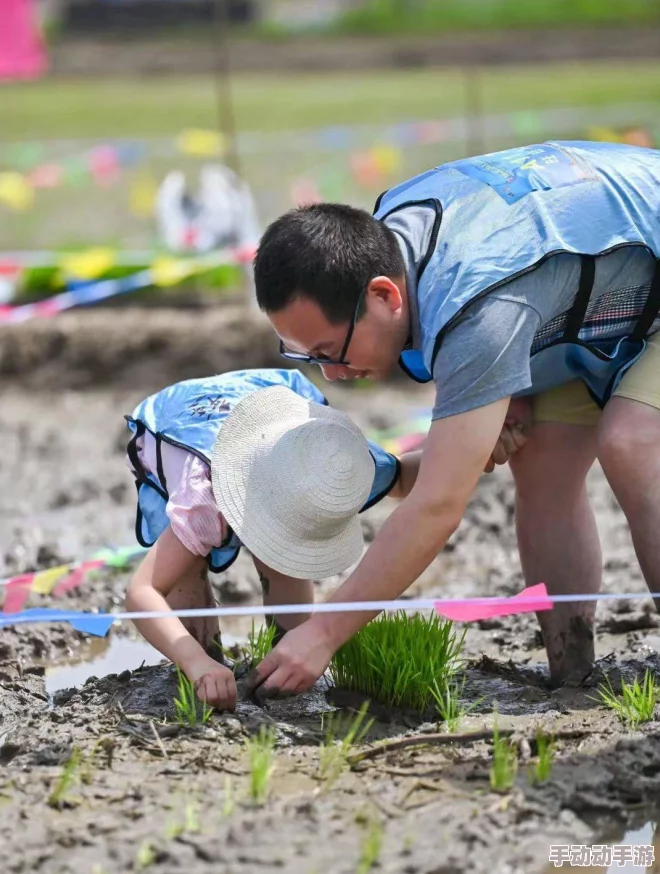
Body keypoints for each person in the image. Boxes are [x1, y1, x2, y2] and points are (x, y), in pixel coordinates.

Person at [250, 139, 660, 694]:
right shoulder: (383, 242)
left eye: (329, 351)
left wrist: (323, 633)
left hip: (637, 268)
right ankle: (573, 670)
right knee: (540, 458)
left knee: (631, 441)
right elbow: (524, 294)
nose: (333, 374)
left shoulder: (477, 311)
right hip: (593, 289)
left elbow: (438, 506)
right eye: (305, 356)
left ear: (384, 296)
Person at [123, 367, 427, 709]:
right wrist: (198, 664)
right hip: (176, 426)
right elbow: (142, 592)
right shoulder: (203, 501)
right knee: (184, 582)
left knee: (286, 561)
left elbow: (404, 476)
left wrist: (472, 449)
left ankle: (280, 668)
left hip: (273, 399)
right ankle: (204, 662)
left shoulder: (337, 462)